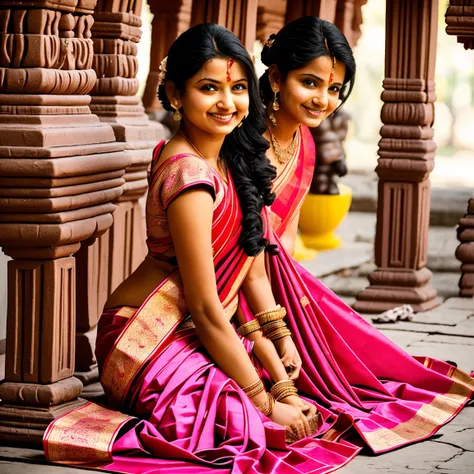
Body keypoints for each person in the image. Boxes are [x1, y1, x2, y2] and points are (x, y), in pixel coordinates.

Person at [43, 23, 361, 473]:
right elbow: (209, 307)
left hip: (196, 327)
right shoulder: (188, 175)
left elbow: (249, 268)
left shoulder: (230, 156)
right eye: (208, 88)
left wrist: (279, 347)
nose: (227, 103)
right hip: (145, 337)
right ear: (175, 94)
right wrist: (266, 405)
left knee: (298, 390)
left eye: (237, 88)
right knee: (238, 426)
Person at [240, 15, 474, 455]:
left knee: (351, 357)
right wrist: (275, 328)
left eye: (333, 89)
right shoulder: (241, 141)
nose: (323, 100)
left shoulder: (305, 144)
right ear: (275, 77)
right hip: (226, 283)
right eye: (310, 83)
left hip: (273, 281)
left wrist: (295, 312)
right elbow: (239, 249)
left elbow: (285, 243)